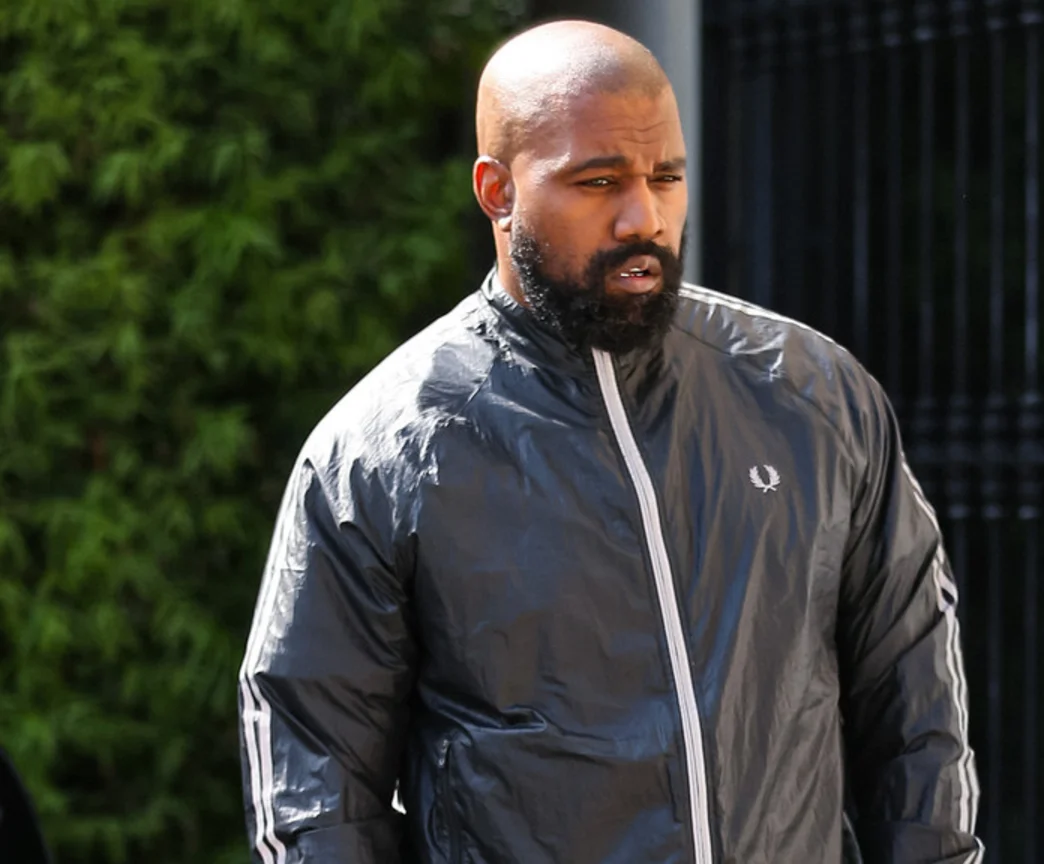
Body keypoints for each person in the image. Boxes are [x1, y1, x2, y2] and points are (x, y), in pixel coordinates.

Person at [237, 19, 979, 864]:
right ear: (497, 190)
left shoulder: (812, 395)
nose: (644, 217)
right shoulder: (380, 453)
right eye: (598, 181)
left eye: (666, 177)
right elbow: (316, 786)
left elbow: (916, 709)